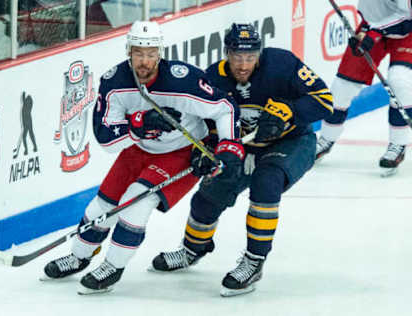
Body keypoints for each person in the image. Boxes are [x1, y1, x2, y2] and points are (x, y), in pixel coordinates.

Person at [42, 20, 242, 295]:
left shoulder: (182, 81)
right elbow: (106, 138)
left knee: (135, 203)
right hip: (138, 150)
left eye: (150, 54)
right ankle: (78, 256)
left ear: (160, 53)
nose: (145, 61)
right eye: (138, 53)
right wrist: (138, 125)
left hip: (181, 152)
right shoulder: (114, 82)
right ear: (129, 52)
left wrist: (226, 148)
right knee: (100, 208)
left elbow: (225, 108)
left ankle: (113, 266)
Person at [149, 23, 334, 297]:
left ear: (259, 54)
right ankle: (192, 249)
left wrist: (289, 111)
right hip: (241, 148)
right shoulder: (212, 78)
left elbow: (325, 101)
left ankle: (254, 261)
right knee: (209, 195)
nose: (243, 64)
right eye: (237, 57)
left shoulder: (282, 64)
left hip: (291, 142)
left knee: (266, 184)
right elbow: (207, 123)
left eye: (250, 57)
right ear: (227, 53)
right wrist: (204, 149)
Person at [316, 0, 412, 176]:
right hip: (371, 25)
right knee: (342, 87)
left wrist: (374, 33)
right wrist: (370, 31)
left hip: (407, 30)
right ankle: (325, 139)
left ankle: (398, 143)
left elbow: (406, 20)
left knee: (400, 81)